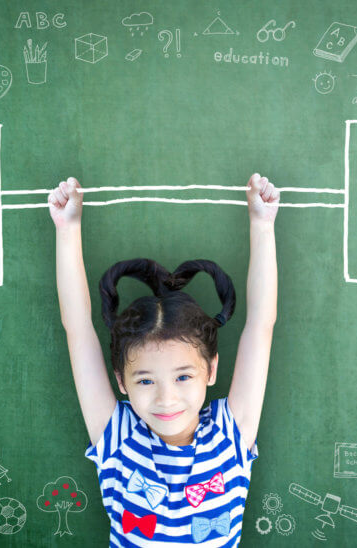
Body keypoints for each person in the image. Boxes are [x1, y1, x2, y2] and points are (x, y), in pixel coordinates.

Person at [49, 174, 278, 546]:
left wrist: (262, 225)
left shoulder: (230, 435)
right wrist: (67, 228)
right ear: (121, 382)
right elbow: (77, 329)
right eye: (145, 380)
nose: (166, 398)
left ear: (211, 369)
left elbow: (261, 327)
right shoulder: (119, 438)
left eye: (183, 377)